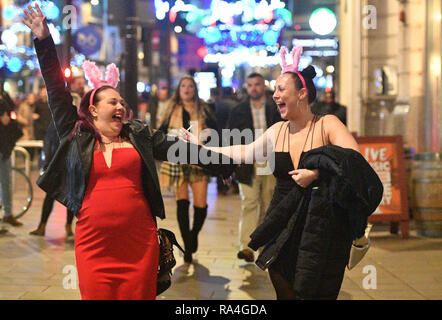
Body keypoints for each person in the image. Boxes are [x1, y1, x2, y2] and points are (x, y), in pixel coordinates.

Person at [23, 4, 232, 300]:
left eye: (122, 102)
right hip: (93, 244)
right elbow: (56, 87)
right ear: (93, 110)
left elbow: (179, 150)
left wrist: (224, 164)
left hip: (139, 243)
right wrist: (44, 42)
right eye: (112, 102)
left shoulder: (138, 133)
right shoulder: (76, 133)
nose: (120, 106)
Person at [182, 46, 383, 300]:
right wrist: (202, 147)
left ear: (301, 93)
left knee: (317, 291)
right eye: (274, 89)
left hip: (322, 224)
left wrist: (318, 174)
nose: (275, 95)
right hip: (284, 221)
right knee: (281, 282)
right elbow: (245, 151)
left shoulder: (327, 124)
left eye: (280, 89)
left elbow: (355, 163)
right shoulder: (277, 130)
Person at [159, 75, 219, 264]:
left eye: (190, 86)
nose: (186, 89)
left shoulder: (204, 110)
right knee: (182, 203)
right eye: (183, 85)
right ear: (179, 90)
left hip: (199, 162)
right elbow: (161, 132)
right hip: (177, 162)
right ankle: (187, 246)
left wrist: (206, 141)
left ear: (195, 89)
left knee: (200, 206)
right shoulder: (171, 110)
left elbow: (216, 133)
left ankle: (192, 238)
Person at [227, 73, 281, 263]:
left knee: (268, 202)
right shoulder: (238, 110)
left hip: (270, 159)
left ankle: (261, 243)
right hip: (247, 160)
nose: (254, 88)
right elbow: (230, 137)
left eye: (257, 84)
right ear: (246, 87)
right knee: (249, 202)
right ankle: (247, 247)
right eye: (250, 85)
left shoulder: (275, 108)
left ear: (263, 86)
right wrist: (230, 165)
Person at [29, 122, 75, 238]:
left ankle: (68, 226)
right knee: (51, 195)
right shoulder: (56, 122)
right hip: (56, 164)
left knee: (70, 196)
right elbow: (48, 143)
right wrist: (46, 164)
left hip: (68, 164)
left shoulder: (71, 121)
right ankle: (42, 226)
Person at [0, 90, 24, 233]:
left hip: (4, 149)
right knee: (5, 183)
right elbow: (6, 119)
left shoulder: (4, 98)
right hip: (3, 148)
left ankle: (8, 214)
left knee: (6, 183)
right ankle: (7, 214)